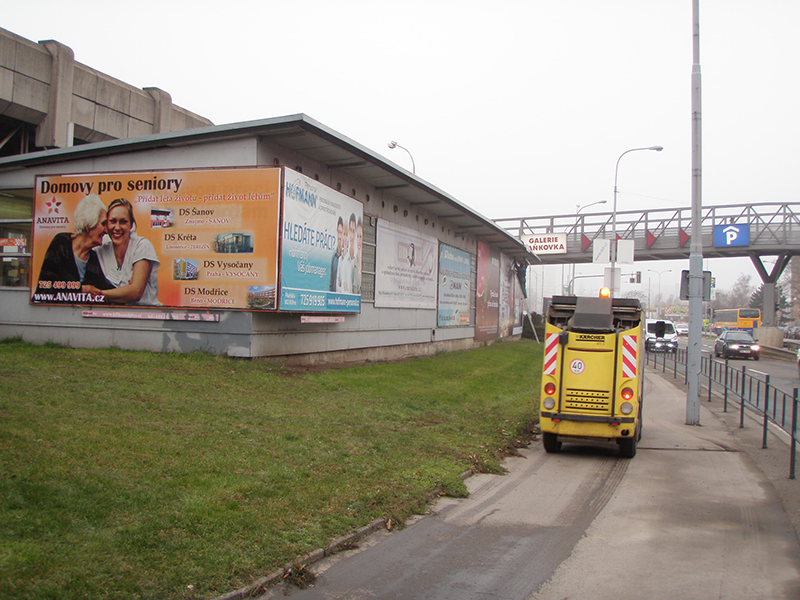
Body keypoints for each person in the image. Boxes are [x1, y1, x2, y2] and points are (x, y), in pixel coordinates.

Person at [85, 198, 161, 305]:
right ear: (106, 225)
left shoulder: (142, 246)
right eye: (112, 221)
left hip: (146, 316)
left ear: (131, 225)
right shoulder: (99, 250)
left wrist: (97, 294)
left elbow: (136, 293)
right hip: (114, 316)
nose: (117, 227)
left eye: (123, 222)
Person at [34, 194, 111, 299]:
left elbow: (104, 290)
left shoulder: (93, 257)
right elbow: (44, 288)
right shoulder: (61, 243)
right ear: (88, 225)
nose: (107, 230)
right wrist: (82, 290)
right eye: (103, 224)